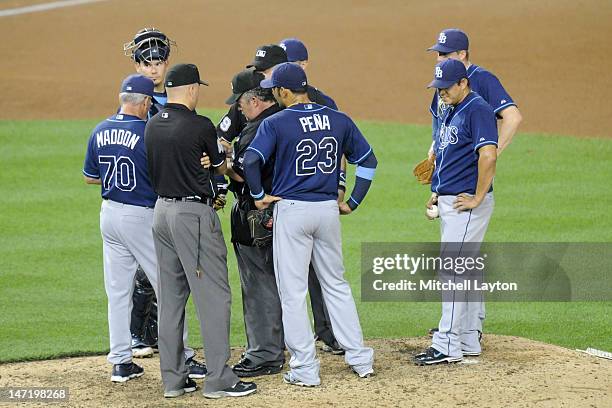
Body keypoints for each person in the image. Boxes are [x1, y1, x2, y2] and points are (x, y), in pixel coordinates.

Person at [243, 63, 377, 386]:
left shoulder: (276, 123)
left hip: (293, 211)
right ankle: (359, 358)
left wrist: (259, 196)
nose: (273, 92)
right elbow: (369, 161)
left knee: (292, 292)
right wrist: (353, 201)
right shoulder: (338, 118)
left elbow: (250, 160)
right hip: (328, 210)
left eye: (275, 88)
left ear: (284, 92)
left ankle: (305, 368)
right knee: (336, 284)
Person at [144, 63, 257, 399]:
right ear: (192, 89)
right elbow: (222, 167)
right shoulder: (199, 125)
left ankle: (174, 381)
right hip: (192, 216)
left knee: (170, 299)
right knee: (214, 297)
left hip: (161, 213)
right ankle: (220, 379)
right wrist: (217, 161)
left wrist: (200, 162)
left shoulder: (151, 125)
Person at [425, 28, 521, 339]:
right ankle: (466, 329)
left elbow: (513, 117)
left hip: (469, 185)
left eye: (445, 53)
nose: (439, 58)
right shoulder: (444, 84)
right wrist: (436, 153)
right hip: (449, 182)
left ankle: (458, 332)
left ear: (463, 55)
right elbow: (441, 124)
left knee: (457, 263)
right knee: (466, 259)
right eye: (437, 53)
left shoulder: (480, 82)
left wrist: (488, 154)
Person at [122, 29, 207, 378]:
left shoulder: (170, 98)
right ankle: (150, 339)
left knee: (157, 272)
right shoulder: (136, 101)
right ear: (137, 64)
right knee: (157, 273)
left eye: (158, 63)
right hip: (147, 197)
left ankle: (146, 335)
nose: (153, 69)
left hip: (164, 194)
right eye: (147, 63)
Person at [413, 59, 498, 365]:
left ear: (463, 83)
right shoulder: (450, 107)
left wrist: (477, 197)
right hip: (450, 199)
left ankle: (447, 343)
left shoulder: (478, 110)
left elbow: (488, 155)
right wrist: (437, 188)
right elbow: (450, 153)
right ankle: (468, 337)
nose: (441, 93)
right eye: (437, 89)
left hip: (465, 205)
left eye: (446, 88)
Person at [82, 74, 160, 382]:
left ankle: (121, 361)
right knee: (168, 286)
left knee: (117, 292)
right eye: (149, 102)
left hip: (109, 214)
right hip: (140, 216)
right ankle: (182, 356)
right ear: (143, 103)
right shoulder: (147, 133)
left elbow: (90, 176)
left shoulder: (100, 129)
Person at [222, 69, 285, 377]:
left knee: (260, 285)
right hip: (292, 214)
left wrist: (225, 166)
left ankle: (265, 354)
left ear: (255, 100)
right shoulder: (287, 117)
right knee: (286, 283)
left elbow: (247, 174)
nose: (239, 110)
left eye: (241, 104)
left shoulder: (257, 128)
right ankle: (285, 347)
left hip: (258, 218)